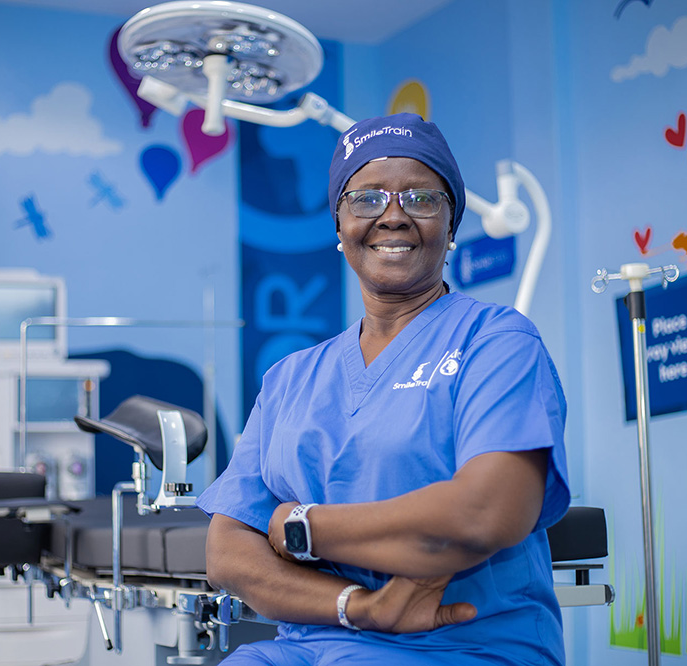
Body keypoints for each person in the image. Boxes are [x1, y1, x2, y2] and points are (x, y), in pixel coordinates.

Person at [196, 113, 570, 665]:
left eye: (421, 198)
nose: (393, 216)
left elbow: (486, 511)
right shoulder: (289, 379)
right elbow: (228, 553)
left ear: (451, 224)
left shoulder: (496, 341)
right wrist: (359, 605)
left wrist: (302, 526)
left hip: (465, 644)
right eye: (366, 198)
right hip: (310, 643)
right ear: (340, 228)